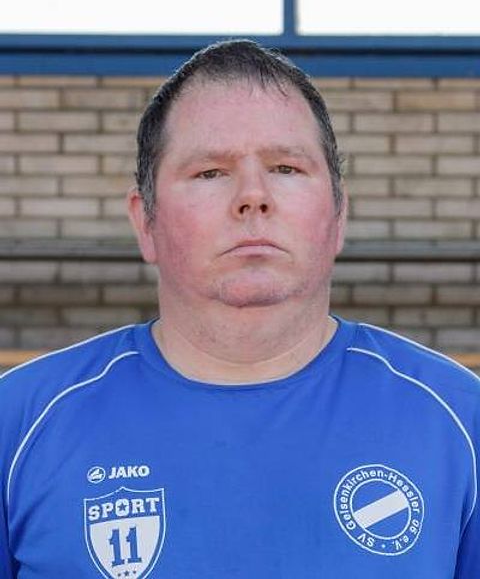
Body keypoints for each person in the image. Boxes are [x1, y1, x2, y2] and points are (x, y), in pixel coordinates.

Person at [0, 40, 478, 579]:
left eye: (286, 168)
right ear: (145, 222)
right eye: (210, 172)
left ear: (339, 215)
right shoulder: (19, 423)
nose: (253, 196)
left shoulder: (460, 422)